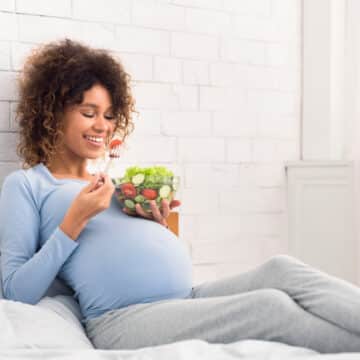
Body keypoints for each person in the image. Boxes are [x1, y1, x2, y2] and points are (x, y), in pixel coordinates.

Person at [0, 39, 360, 354]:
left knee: (282, 269)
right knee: (270, 307)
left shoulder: (110, 182)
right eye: (88, 113)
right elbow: (14, 291)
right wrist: (72, 222)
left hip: (182, 297)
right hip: (122, 320)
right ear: (52, 115)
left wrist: (157, 226)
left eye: (109, 115)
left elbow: (123, 254)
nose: (102, 126)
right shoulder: (28, 186)